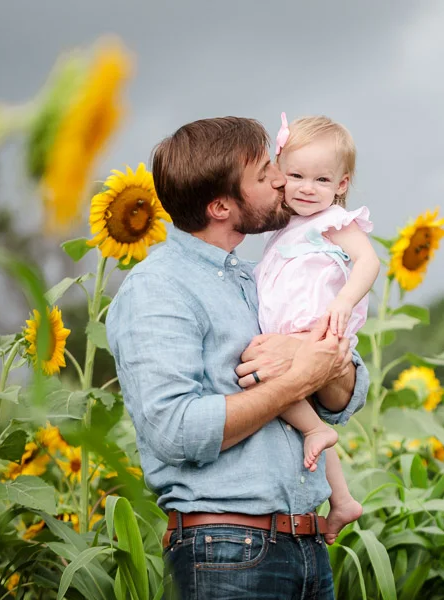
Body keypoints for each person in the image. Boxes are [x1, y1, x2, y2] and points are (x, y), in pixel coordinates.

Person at [106, 116, 369, 599]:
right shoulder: (158, 289)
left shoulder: (259, 276)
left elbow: (346, 398)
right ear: (221, 205)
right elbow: (176, 430)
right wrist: (295, 379)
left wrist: (308, 355)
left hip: (308, 547)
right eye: (264, 172)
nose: (280, 180)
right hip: (227, 550)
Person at [252, 114, 378, 544]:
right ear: (278, 174)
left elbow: (370, 262)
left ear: (341, 185)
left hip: (316, 326)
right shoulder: (283, 228)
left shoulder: (334, 222)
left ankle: (315, 431)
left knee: (263, 378)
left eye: (322, 179)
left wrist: (343, 302)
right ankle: (341, 498)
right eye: (296, 175)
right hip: (290, 331)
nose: (307, 188)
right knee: (276, 387)